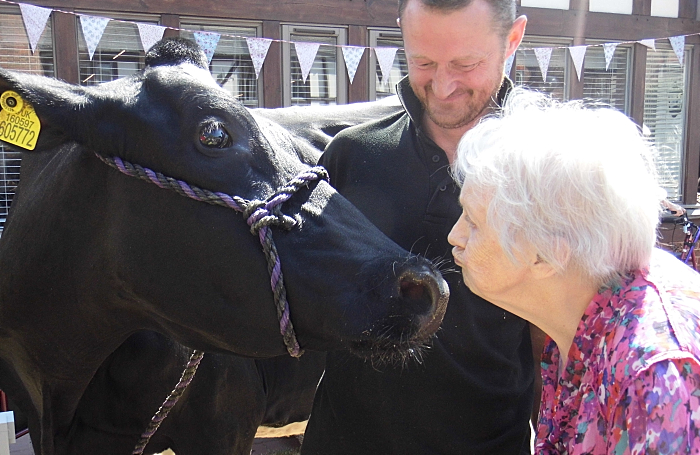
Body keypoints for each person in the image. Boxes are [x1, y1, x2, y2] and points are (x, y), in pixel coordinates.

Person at [301, 1, 534, 454]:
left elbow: (564, 344)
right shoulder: (351, 156)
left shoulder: (547, 173)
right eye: (423, 62)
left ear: (513, 39)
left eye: (466, 64)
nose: (443, 86)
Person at [448, 88, 700, 454]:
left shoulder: (654, 373)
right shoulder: (585, 310)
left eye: (473, 221)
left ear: (547, 255)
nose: (454, 235)